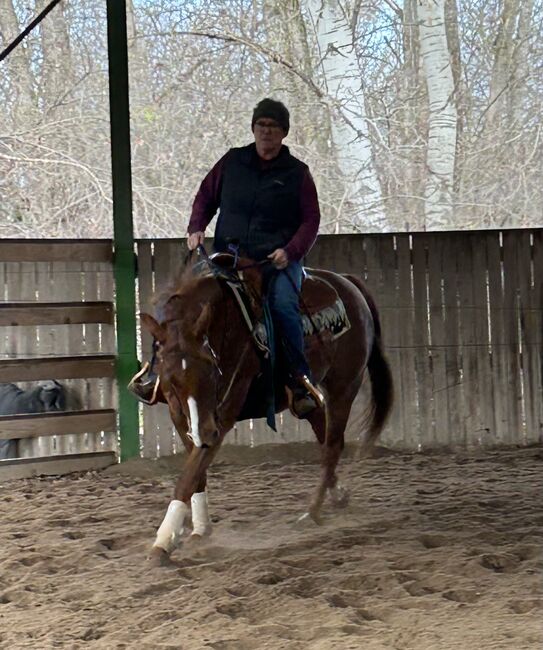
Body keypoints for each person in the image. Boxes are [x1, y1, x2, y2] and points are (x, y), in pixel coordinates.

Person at [130, 98, 323, 417]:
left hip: (274, 261)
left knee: (284, 307)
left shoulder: (297, 173)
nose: (266, 132)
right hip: (226, 256)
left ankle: (299, 382)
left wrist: (290, 252)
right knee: (173, 302)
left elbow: (311, 220)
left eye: (273, 127)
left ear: (284, 133)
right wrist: (196, 226)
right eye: (261, 125)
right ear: (253, 128)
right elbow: (206, 195)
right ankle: (153, 373)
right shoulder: (233, 162)